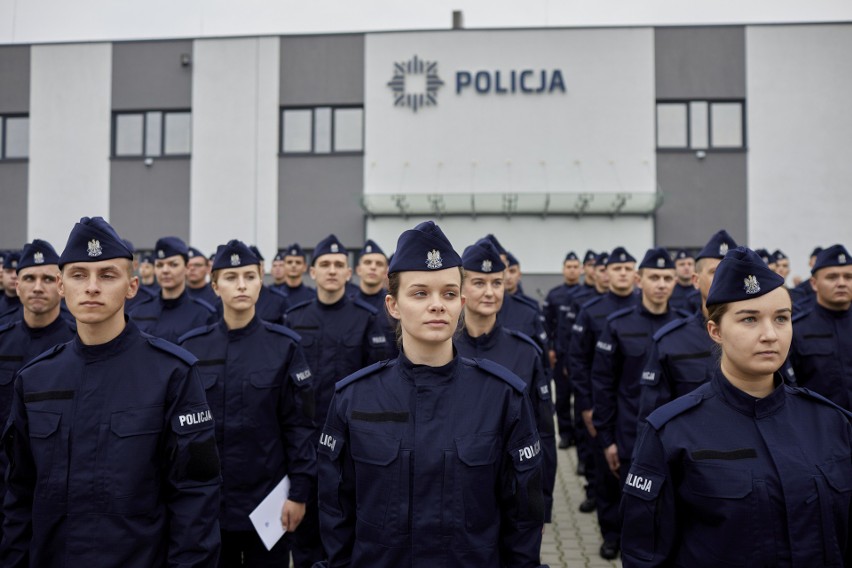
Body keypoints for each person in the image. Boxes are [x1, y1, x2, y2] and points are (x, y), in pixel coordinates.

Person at [315, 220, 548, 568]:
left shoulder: (502, 397)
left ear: (461, 303)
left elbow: (522, 517)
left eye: (449, 294)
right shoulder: (354, 399)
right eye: (420, 293)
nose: (437, 305)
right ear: (393, 305)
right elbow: (336, 511)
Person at [1, 216, 221, 566]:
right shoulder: (36, 379)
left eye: (107, 275)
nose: (91, 287)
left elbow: (195, 499)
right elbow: (19, 495)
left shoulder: (172, 374)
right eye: (78, 275)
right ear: (61, 285)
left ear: (131, 286)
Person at [621, 247, 851, 567]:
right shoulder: (672, 432)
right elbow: (645, 553)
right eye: (749, 319)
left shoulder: (832, 422)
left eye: (781, 318)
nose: (770, 334)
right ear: (716, 331)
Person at [179, 240, 316, 567]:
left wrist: (299, 493)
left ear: (261, 281)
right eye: (230, 277)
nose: (241, 285)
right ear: (215, 286)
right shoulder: (192, 348)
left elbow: (299, 426)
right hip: (209, 503)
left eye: (250, 276)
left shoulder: (284, 347)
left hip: (267, 501)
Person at [283, 234, 388, 566]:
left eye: (339, 265)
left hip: (350, 448)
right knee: (303, 541)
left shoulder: (366, 317)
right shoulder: (294, 319)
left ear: (348, 273)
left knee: (346, 538)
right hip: (304, 446)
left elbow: (377, 386)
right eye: (325, 265)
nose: (331, 270)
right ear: (312, 272)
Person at [453, 238, 557, 526]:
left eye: (497, 283)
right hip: (452, 486)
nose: (490, 292)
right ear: (461, 288)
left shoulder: (525, 352)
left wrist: (542, 501)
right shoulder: (441, 348)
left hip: (511, 486)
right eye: (479, 283)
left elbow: (543, 434)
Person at [0, 240, 76, 537]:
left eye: (47, 279)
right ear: (17, 286)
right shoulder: (3, 340)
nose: (37, 287)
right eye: (29, 278)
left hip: (62, 487)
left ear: (60, 287)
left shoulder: (78, 342)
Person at [591, 248, 686, 484]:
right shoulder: (617, 325)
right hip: (629, 435)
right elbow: (603, 384)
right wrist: (607, 439)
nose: (661, 284)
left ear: (675, 281)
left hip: (676, 439)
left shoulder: (685, 327)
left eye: (667, 278)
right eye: (654, 277)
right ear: (639, 280)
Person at [569, 246, 640, 560]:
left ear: (636, 274)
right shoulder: (592, 310)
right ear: (605, 273)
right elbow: (579, 362)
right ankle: (611, 534)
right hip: (603, 406)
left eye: (628, 268)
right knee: (607, 476)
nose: (622, 273)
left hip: (637, 409)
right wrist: (585, 406)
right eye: (617, 268)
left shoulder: (645, 307)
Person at [637, 230, 738, 424]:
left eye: (733, 272)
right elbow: (652, 416)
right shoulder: (671, 341)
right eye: (715, 272)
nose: (725, 278)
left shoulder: (763, 336)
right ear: (695, 280)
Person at [788, 244, 852, 410]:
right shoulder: (797, 328)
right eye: (832, 277)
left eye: (848, 277)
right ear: (814, 284)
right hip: (820, 427)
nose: (842, 283)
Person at [129, 236, 217, 343]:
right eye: (160, 265)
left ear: (186, 268)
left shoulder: (203, 314)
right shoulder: (139, 312)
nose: (165, 270)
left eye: (173, 264)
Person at [351, 239, 397, 358]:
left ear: (385, 271)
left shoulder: (394, 305)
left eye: (379, 264)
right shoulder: (348, 305)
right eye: (367, 262)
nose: (373, 267)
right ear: (358, 269)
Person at [668, 249, 699, 314]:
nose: (686, 267)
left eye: (690, 264)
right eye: (682, 264)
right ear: (675, 268)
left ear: (695, 267)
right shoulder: (669, 290)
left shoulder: (700, 290)